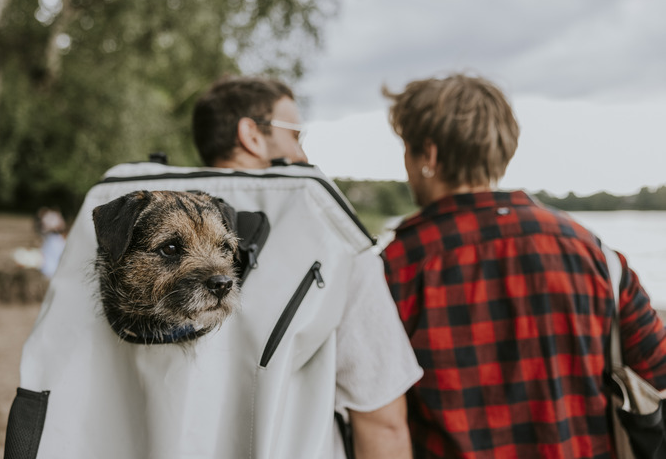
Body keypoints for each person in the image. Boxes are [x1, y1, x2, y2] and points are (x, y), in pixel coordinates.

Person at [381, 73, 666, 458]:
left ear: (428, 155)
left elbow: (379, 417)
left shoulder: (396, 268)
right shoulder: (595, 254)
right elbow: (657, 369)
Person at [193, 75, 423, 458]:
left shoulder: (148, 238)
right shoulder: (333, 241)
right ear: (251, 135)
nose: (302, 154)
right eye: (295, 135)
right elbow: (381, 419)